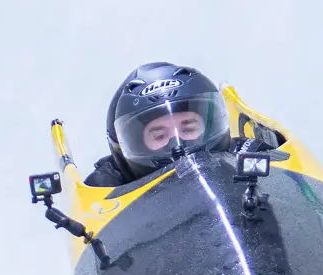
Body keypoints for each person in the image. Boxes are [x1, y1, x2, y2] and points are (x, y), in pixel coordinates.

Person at [86, 63, 233, 185]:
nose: (178, 147)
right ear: (137, 144)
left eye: (188, 129)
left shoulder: (243, 156)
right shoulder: (104, 185)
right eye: (159, 136)